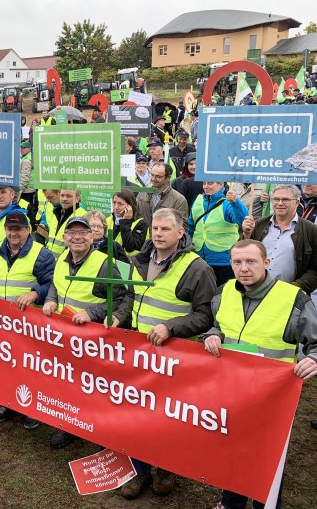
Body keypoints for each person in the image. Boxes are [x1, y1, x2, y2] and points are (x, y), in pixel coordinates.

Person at [204, 240, 317, 509]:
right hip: (232, 392)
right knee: (234, 449)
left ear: (267, 263)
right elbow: (218, 326)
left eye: (251, 261)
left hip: (273, 398)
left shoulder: (292, 298)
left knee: (268, 459)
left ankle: (268, 505)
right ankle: (231, 503)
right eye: (237, 262)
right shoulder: (225, 291)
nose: (244, 268)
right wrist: (213, 336)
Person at [115, 208, 216, 499]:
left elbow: (206, 315)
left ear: (181, 232)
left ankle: (166, 468)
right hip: (139, 352)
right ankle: (140, 469)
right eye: (155, 229)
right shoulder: (140, 260)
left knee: (167, 417)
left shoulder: (198, 269)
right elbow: (131, 295)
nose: (158, 234)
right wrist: (121, 318)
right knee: (136, 413)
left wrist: (171, 327)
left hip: (174, 357)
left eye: (165, 229)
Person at [42, 215, 126, 449]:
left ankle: (99, 430)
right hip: (64, 336)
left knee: (93, 386)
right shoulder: (61, 259)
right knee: (69, 382)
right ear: (65, 237)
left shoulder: (104, 262)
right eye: (72, 232)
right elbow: (55, 286)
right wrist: (50, 299)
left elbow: (121, 297)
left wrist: (92, 312)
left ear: (92, 236)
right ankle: (70, 425)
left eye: (83, 232)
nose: (77, 237)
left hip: (91, 338)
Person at [0, 211, 55, 428]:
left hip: (29, 326)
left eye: (18, 229)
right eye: (10, 229)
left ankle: (33, 409)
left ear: (27, 230)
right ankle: (7, 402)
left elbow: (52, 283)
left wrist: (36, 293)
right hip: (2, 322)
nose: (13, 233)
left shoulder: (41, 254)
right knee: (5, 364)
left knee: (31, 367)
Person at [242, 185, 317, 295]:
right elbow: (242, 256)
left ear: (297, 203)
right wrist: (246, 235)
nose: (280, 203)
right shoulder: (258, 225)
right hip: (256, 291)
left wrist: (295, 287)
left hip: (289, 296)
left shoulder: (312, 231)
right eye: (276, 199)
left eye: (286, 200)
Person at [188, 181, 248, 286]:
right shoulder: (198, 200)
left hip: (223, 262)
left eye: (210, 183)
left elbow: (243, 220)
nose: (206, 186)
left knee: (222, 295)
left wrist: (235, 202)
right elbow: (191, 227)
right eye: (204, 183)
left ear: (221, 184)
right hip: (199, 259)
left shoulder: (227, 203)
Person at [136, 163, 189, 230]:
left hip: (164, 239)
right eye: (152, 175)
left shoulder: (178, 200)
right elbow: (136, 214)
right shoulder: (142, 192)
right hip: (143, 238)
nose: (153, 179)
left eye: (158, 176)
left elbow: (182, 225)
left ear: (168, 178)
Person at [42, 189, 82, 258]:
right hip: (50, 261)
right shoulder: (56, 213)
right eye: (62, 195)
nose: (64, 199)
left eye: (68, 196)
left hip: (65, 264)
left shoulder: (82, 216)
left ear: (77, 199)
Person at [107, 189, 148, 256]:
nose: (116, 207)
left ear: (130, 206)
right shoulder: (108, 220)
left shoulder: (141, 224)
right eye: (114, 203)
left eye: (120, 204)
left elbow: (130, 247)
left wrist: (125, 221)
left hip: (129, 263)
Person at [19, 141, 37, 223]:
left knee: (25, 208)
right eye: (21, 148)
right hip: (29, 188)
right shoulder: (28, 158)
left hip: (26, 189)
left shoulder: (26, 160)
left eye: (24, 148)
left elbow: (24, 177)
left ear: (29, 149)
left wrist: (20, 190)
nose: (21, 149)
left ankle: (28, 223)